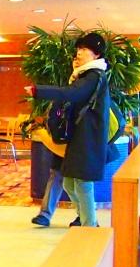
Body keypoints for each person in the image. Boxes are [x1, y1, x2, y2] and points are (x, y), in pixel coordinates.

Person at [25, 31, 112, 227]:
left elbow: (71, 94)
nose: (79, 53)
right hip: (79, 137)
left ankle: (90, 225)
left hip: (88, 139)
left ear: (96, 54)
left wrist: (39, 90)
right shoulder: (84, 76)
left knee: (82, 182)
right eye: (78, 49)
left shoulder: (94, 75)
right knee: (69, 182)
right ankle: (86, 219)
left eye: (84, 49)